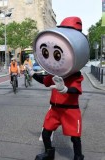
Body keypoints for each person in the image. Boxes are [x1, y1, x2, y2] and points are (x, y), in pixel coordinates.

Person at [31, 16, 88, 160]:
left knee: (75, 137)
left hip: (70, 110)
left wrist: (65, 89)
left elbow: (76, 90)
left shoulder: (74, 76)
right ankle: (49, 153)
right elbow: (45, 80)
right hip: (55, 109)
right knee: (45, 133)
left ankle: (78, 156)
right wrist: (32, 74)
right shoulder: (55, 73)